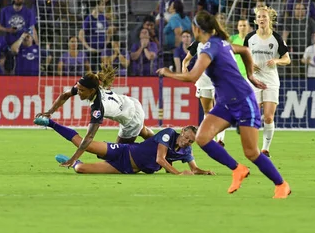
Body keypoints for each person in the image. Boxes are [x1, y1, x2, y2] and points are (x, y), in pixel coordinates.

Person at [157, 10, 291, 198]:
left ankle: (281, 184)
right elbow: (244, 50)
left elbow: (192, 76)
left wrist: (167, 72)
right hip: (225, 103)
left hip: (244, 101)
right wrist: (251, 75)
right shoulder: (220, 43)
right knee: (202, 138)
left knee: (251, 152)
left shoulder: (210, 47)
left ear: (196, 29)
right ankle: (237, 169)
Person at [34, 68, 155, 144]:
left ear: (91, 91)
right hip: (131, 103)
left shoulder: (98, 107)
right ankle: (164, 147)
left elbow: (89, 137)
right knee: (143, 132)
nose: (78, 91)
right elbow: (64, 95)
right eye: (78, 88)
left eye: (81, 90)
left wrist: (73, 159)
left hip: (130, 117)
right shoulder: (90, 86)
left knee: (119, 154)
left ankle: (153, 154)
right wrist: (50, 112)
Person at [53, 125, 213, 175]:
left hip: (127, 168)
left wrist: (203, 172)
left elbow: (194, 169)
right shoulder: (169, 133)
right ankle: (51, 123)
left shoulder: (186, 150)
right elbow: (160, 159)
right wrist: (178, 173)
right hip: (123, 151)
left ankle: (76, 162)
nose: (187, 142)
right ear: (183, 131)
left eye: (191, 141)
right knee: (85, 144)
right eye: (187, 137)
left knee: (81, 169)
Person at [243, 5, 290, 157]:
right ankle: (254, 147)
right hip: (254, 79)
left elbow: (287, 59)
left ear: (269, 19)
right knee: (254, 116)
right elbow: (244, 55)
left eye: (264, 16)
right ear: (256, 21)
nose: (262, 19)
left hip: (270, 80)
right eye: (259, 17)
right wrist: (250, 64)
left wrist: (276, 61)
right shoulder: (250, 38)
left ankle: (265, 148)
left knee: (269, 116)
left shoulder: (276, 38)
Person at [182, 39, 226, 146]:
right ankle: (210, 137)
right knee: (207, 110)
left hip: (218, 79)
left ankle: (220, 139)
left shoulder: (219, 42)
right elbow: (187, 59)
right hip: (203, 81)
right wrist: (184, 67)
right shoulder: (197, 43)